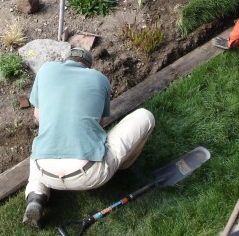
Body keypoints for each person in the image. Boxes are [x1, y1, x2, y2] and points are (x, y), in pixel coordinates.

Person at [22, 47, 155, 228]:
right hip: (90, 173)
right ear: (88, 67)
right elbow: (99, 124)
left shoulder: (46, 70)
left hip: (46, 172)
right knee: (145, 116)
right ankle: (123, 165)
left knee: (39, 144)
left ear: (65, 60)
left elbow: (37, 116)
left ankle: (36, 197)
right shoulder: (99, 79)